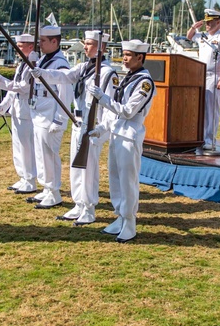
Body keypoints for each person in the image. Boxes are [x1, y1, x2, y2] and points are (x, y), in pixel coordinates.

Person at [31, 30, 117, 225]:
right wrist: (42, 73)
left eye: (89, 44)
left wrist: (102, 129)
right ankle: (79, 202)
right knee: (76, 166)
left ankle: (89, 207)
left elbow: (111, 106)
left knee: (88, 169)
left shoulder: (106, 73)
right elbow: (65, 76)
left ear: (101, 47)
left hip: (94, 127)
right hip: (79, 123)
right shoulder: (84, 67)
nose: (85, 47)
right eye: (85, 43)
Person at [89, 39, 155, 243]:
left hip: (130, 135)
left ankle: (130, 222)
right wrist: (102, 128)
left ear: (140, 57)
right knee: (115, 180)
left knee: (128, 181)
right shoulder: (129, 78)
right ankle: (119, 216)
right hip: (118, 132)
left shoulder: (144, 82)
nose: (124, 59)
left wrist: (103, 99)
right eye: (123, 54)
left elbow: (127, 111)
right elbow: (117, 112)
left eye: (128, 55)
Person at [0, 33, 39, 195]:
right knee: (17, 146)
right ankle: (23, 177)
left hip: (27, 111)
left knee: (26, 148)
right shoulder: (21, 65)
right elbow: (12, 91)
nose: (17, 49)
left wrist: (2, 80)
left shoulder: (33, 65)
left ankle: (30, 180)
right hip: (17, 110)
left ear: (30, 47)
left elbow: (23, 87)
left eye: (21, 46)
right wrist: (3, 106)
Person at [27, 24, 72, 209]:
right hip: (39, 113)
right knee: (40, 154)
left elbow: (65, 94)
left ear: (55, 41)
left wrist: (60, 119)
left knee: (49, 155)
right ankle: (46, 188)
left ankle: (54, 192)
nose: (40, 44)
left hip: (50, 115)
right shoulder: (45, 60)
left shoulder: (60, 63)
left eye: (43, 41)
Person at [186, 8, 220, 150]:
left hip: (214, 75)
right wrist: (194, 27)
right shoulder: (203, 36)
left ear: (218, 22)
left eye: (210, 22)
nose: (207, 25)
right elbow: (189, 36)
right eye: (206, 22)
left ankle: (210, 139)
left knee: (211, 110)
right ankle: (201, 137)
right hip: (201, 75)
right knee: (201, 109)